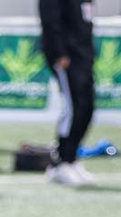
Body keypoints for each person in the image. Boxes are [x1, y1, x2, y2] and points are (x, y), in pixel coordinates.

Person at [39, 0, 97, 186]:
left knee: (87, 106)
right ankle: (60, 162)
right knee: (74, 108)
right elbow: (50, 20)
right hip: (66, 55)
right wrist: (59, 52)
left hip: (83, 54)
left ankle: (71, 158)